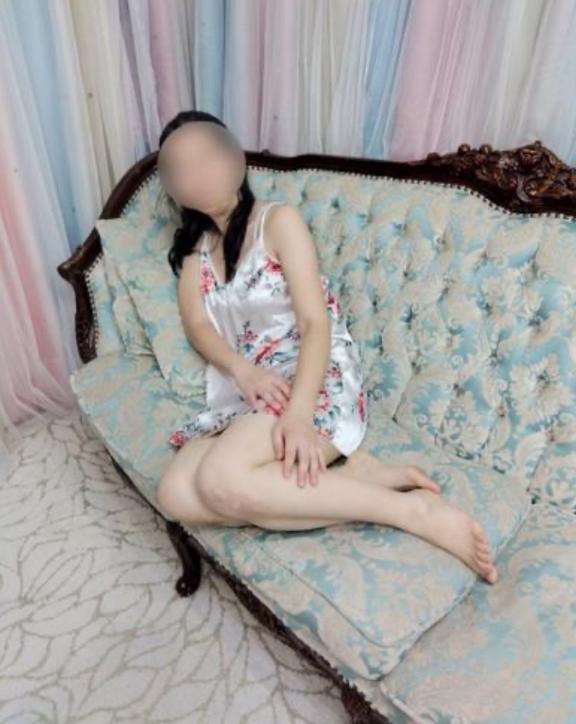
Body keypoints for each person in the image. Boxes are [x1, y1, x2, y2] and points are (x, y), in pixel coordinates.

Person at [156, 110, 498, 584]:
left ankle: (412, 512)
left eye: (204, 158)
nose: (194, 174)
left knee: (220, 481)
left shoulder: (277, 221)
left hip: (310, 374)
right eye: (180, 168)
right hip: (254, 388)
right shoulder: (196, 255)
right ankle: (352, 478)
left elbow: (315, 322)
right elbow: (198, 327)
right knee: (174, 494)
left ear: (233, 160)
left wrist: (299, 415)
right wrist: (243, 371)